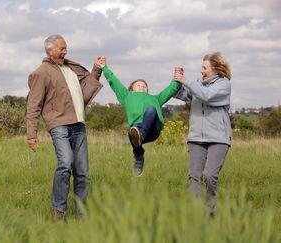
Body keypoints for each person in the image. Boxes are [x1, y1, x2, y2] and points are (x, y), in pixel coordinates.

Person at [26, 34, 104, 221]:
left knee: (82, 171)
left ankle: (81, 214)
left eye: (65, 48)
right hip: (59, 125)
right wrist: (31, 134)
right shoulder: (42, 73)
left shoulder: (71, 68)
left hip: (79, 125)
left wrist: (97, 69)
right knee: (65, 163)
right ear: (50, 50)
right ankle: (58, 211)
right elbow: (33, 105)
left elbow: (86, 89)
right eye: (61, 48)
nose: (65, 51)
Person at [98, 59, 181, 177]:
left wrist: (178, 77)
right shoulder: (127, 96)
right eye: (139, 85)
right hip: (136, 130)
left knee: (152, 109)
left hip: (153, 130)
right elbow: (114, 82)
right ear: (131, 89)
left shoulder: (155, 99)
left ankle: (140, 135)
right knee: (132, 133)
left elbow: (170, 90)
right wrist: (104, 67)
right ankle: (139, 157)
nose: (142, 87)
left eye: (144, 86)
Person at [173, 52, 232, 216]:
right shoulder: (197, 84)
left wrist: (187, 81)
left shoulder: (224, 85)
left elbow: (207, 96)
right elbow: (182, 95)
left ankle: (210, 210)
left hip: (219, 137)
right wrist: (177, 80)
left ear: (216, 69)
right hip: (196, 137)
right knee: (194, 176)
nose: (201, 71)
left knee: (210, 175)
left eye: (204, 68)